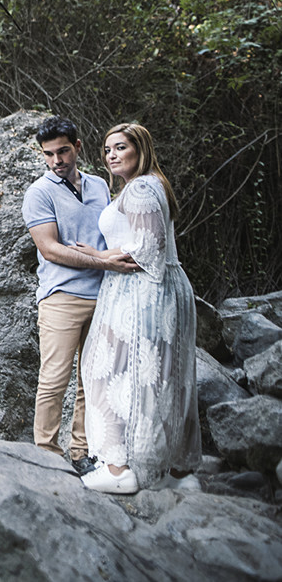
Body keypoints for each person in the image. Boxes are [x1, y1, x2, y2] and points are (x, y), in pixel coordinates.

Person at [73, 123, 202, 494]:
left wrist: (97, 256)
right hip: (153, 288)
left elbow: (149, 248)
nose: (111, 155)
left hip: (143, 291)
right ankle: (173, 471)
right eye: (107, 149)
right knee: (160, 377)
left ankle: (119, 470)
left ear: (139, 149)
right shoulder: (146, 186)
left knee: (110, 372)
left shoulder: (143, 187)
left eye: (120, 147)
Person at [22, 116, 138, 476]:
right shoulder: (39, 192)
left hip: (104, 295)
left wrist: (111, 257)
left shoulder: (100, 185)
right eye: (49, 154)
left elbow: (107, 238)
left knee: (93, 380)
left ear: (78, 147)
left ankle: (80, 452)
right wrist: (103, 259)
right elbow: (51, 249)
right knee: (54, 379)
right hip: (61, 297)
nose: (56, 160)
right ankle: (46, 455)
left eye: (63, 151)